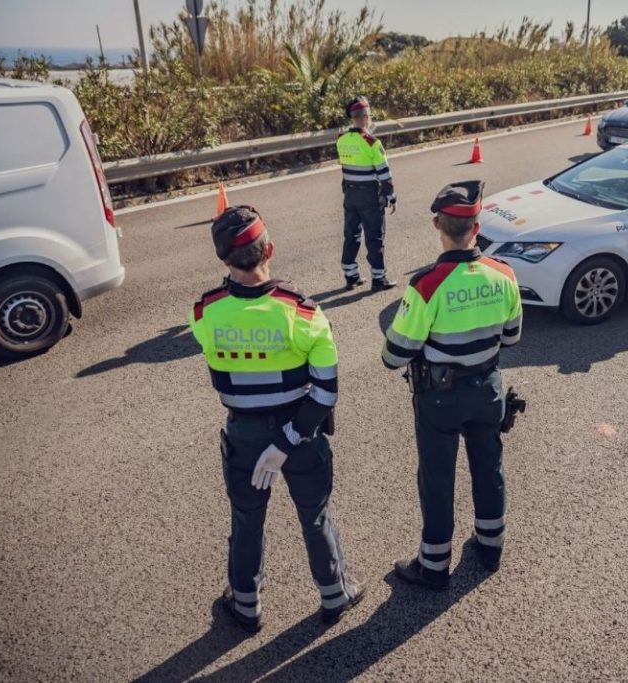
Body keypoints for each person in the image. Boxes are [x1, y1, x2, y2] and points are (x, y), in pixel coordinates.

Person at [190, 205, 365, 633]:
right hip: (301, 432)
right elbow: (325, 392)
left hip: (243, 435)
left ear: (224, 260)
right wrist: (287, 440)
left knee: (247, 518)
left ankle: (246, 605)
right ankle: (334, 593)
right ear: (270, 248)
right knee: (315, 513)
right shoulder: (303, 312)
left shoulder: (204, 312)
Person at [381, 181, 523, 589]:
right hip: (488, 389)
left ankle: (434, 567)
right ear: (477, 226)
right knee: (489, 467)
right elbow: (512, 337)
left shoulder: (427, 284)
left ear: (436, 225)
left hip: (440, 400)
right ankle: (491, 545)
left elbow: (394, 355)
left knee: (438, 479)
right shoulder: (505, 274)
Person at [336, 95, 397, 291]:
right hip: (370, 195)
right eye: (369, 115)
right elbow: (384, 173)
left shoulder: (341, 140)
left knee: (351, 235)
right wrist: (391, 197)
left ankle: (351, 275)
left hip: (350, 194)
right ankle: (379, 279)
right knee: (374, 236)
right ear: (363, 117)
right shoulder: (372, 142)